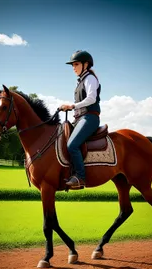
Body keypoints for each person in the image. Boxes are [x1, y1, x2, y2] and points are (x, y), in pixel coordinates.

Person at [59, 50, 101, 189]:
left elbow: (91, 99)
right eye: (72, 65)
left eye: (76, 64)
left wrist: (72, 105)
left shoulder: (90, 78)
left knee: (72, 145)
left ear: (86, 64)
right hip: (79, 118)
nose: (73, 68)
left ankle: (80, 177)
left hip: (90, 117)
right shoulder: (80, 81)